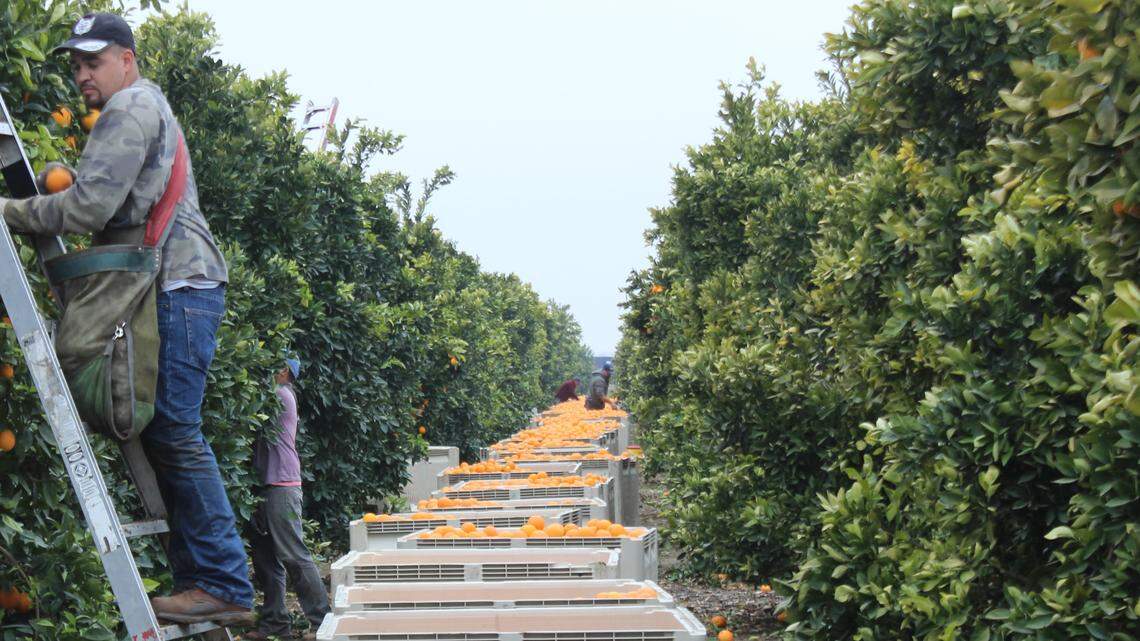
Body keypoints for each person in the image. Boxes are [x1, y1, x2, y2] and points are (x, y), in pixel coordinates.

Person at [0, 13, 253, 624]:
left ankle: (223, 583)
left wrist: (10, 209)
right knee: (167, 432)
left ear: (127, 60)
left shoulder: (128, 109)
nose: (84, 75)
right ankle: (206, 581)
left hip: (176, 283)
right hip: (177, 281)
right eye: (78, 65)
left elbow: (88, 206)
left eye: (95, 61)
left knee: (175, 430)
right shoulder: (146, 107)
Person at [246, 358, 330, 640]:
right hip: (263, 484)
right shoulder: (275, 394)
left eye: (272, 365)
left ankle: (323, 622)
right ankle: (275, 623)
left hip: (282, 484)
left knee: (293, 554)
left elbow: (248, 405)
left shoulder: (280, 395)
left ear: (284, 372)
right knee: (265, 556)